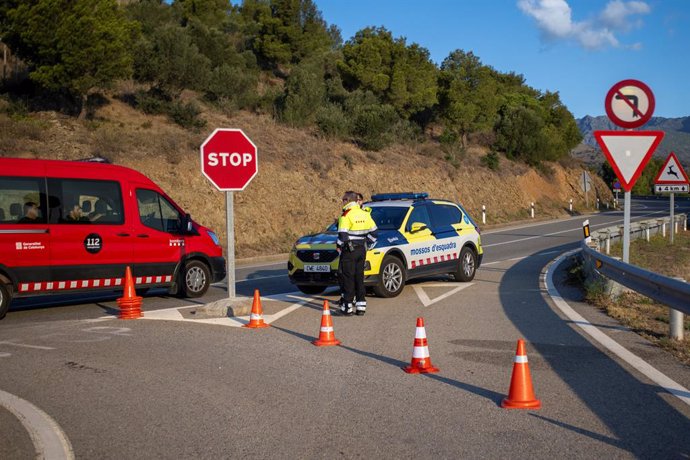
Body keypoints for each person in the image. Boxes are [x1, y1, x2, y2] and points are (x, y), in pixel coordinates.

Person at [337, 191, 377, 316]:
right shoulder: (365, 214)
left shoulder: (346, 215)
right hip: (361, 250)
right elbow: (375, 233)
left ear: (349, 200)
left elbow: (342, 235)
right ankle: (361, 306)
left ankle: (347, 307)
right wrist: (366, 243)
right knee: (359, 277)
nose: (342, 201)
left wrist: (339, 246)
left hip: (349, 251)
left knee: (348, 278)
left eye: (344, 199)